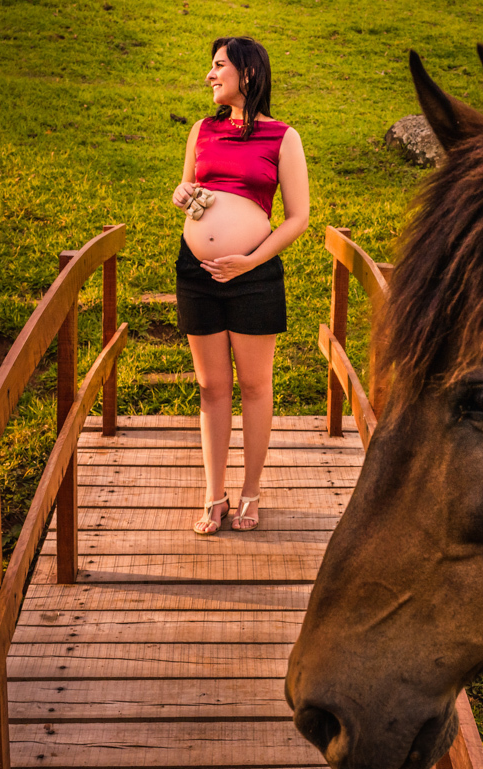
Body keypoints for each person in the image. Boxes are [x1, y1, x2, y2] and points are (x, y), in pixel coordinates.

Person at [171, 36, 309, 534]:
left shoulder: (282, 137)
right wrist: (183, 195)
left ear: (247, 74)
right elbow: (189, 192)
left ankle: (251, 493)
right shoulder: (200, 130)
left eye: (217, 66)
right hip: (198, 273)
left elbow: (298, 219)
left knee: (254, 385)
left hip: (254, 278)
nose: (209, 76)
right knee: (210, 387)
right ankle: (215, 495)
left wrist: (248, 262)